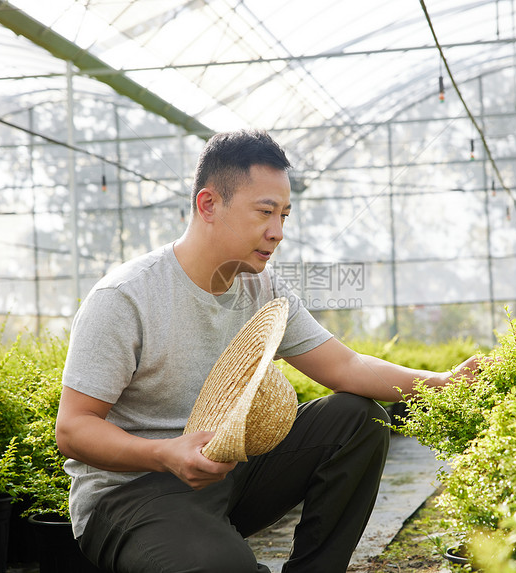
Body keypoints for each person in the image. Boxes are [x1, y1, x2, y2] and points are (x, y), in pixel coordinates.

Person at [55, 129, 482, 573]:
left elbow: (346, 366)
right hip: (134, 494)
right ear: (208, 205)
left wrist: (445, 384)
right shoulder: (126, 297)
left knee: (358, 418)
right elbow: (73, 429)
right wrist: (166, 453)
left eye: (284, 215)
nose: (277, 232)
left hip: (225, 472)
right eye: (264, 212)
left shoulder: (262, 286)